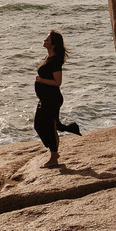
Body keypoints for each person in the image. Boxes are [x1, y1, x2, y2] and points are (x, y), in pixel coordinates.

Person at [33, 30, 80, 167]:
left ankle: (54, 157)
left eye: (47, 40)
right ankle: (55, 150)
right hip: (45, 99)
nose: (44, 41)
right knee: (38, 125)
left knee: (49, 127)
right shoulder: (48, 58)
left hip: (52, 99)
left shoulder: (55, 61)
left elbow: (57, 82)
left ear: (53, 45)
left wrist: (41, 80)